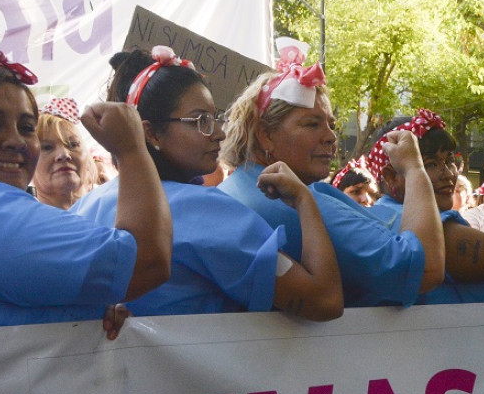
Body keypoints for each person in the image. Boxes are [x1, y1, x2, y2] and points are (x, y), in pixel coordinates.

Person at [75, 45, 342, 321]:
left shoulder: (86, 206)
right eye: (201, 120)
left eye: (215, 118)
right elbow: (324, 300)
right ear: (151, 132)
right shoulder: (203, 211)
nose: (219, 133)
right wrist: (304, 201)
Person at [0, 16, 172, 330]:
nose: (17, 141)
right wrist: (131, 150)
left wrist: (81, 313)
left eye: (27, 128)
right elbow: (146, 263)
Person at [219, 41, 443, 308]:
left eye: (331, 125)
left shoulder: (242, 187)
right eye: (312, 124)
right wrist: (414, 169)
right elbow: (425, 269)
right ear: (265, 135)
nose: (330, 137)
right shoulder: (288, 199)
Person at [367, 110, 484, 304]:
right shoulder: (423, 227)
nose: (447, 174)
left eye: (449, 161)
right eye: (429, 164)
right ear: (391, 177)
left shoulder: (382, 217)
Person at [32, 97, 90, 209]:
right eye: (47, 147)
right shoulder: (22, 223)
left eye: (73, 144)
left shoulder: (113, 210)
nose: (63, 154)